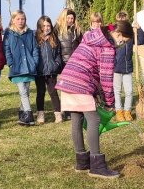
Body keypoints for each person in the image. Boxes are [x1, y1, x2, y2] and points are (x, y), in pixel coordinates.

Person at [56, 21, 134, 179]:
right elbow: (106, 78)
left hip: (67, 79)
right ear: (118, 35)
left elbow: (92, 69)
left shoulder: (92, 37)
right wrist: (110, 102)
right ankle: (97, 165)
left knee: (76, 118)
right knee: (94, 119)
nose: (121, 44)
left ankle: (82, 162)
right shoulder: (107, 47)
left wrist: (96, 92)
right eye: (123, 41)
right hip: (79, 82)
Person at [3, 10, 39, 126]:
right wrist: (11, 63)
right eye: (17, 19)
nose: (20, 21)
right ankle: (29, 114)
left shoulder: (29, 33)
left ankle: (22, 113)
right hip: (17, 68)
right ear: (13, 20)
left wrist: (35, 61)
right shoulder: (9, 33)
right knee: (23, 91)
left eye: (22, 19)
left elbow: (35, 49)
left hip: (29, 66)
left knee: (27, 92)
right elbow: (7, 49)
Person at [35, 15, 64, 124]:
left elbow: (58, 54)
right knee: (40, 92)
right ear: (40, 26)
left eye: (48, 25)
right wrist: (36, 65)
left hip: (52, 70)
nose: (46, 28)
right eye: (44, 26)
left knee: (53, 92)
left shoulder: (54, 38)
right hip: (40, 71)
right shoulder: (36, 38)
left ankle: (58, 113)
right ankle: (40, 114)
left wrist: (56, 64)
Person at [113, 12, 135, 121]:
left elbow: (140, 41)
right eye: (120, 20)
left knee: (129, 91)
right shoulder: (115, 34)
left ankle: (127, 111)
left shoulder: (131, 34)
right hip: (116, 68)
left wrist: (138, 30)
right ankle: (119, 111)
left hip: (128, 67)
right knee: (117, 91)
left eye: (124, 20)